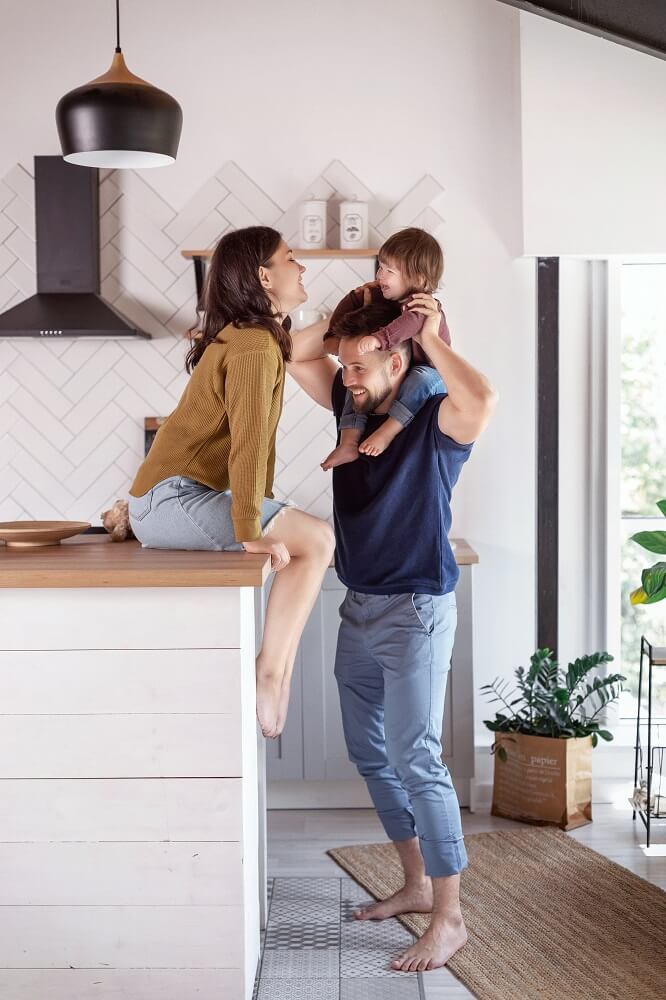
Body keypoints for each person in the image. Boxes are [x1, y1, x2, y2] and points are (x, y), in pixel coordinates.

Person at [287, 292, 497, 973]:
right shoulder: (351, 407)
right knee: (371, 753)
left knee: (418, 760)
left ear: (400, 358)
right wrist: (366, 314)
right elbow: (296, 349)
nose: (345, 375)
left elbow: (484, 395)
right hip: (359, 606)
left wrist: (426, 332)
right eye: (343, 364)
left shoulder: (438, 423)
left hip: (415, 612)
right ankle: (413, 883)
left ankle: (450, 918)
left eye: (359, 364)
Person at [127, 226, 335, 740]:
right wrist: (251, 528)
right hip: (168, 501)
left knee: (312, 541)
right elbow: (247, 443)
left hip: (170, 500)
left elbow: (259, 447)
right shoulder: (252, 346)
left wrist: (261, 514)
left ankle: (275, 671)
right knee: (318, 540)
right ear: (265, 276)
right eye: (291, 258)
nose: (301, 266)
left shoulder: (258, 341)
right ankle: (271, 672)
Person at [321, 227, 451, 470]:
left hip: (430, 374)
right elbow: (354, 301)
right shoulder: (385, 296)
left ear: (419, 279)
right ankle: (348, 442)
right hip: (404, 370)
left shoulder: (423, 304)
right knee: (351, 381)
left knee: (420, 379)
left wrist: (379, 340)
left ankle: (388, 430)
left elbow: (409, 322)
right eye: (380, 267)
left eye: (389, 271)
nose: (380, 275)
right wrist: (356, 299)